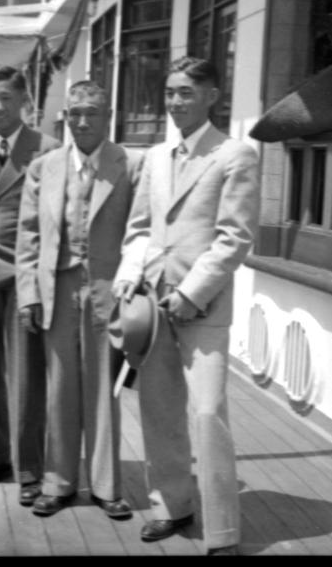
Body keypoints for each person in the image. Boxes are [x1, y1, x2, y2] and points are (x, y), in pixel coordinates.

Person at [113, 56, 260, 556]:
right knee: (159, 412)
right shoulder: (154, 157)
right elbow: (139, 230)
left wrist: (191, 293)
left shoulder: (235, 155)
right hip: (153, 307)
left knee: (207, 412)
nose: (175, 101)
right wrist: (129, 279)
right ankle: (171, 507)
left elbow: (234, 238)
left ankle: (222, 531)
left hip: (203, 308)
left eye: (186, 92)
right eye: (171, 91)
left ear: (212, 96)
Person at [16, 80, 143, 518]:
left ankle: (107, 487)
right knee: (60, 390)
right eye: (75, 113)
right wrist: (28, 295)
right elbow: (28, 236)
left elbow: (141, 233)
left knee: (104, 392)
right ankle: (59, 482)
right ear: (65, 117)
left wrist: (133, 288)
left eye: (91, 112)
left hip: (108, 293)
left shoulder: (129, 165)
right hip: (58, 289)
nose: (82, 121)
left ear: (107, 116)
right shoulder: (44, 167)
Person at [0, 65, 60, 506]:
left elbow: (52, 221)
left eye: (5, 97)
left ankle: (30, 468)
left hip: (26, 278)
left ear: (25, 103)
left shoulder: (49, 150)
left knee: (26, 379)